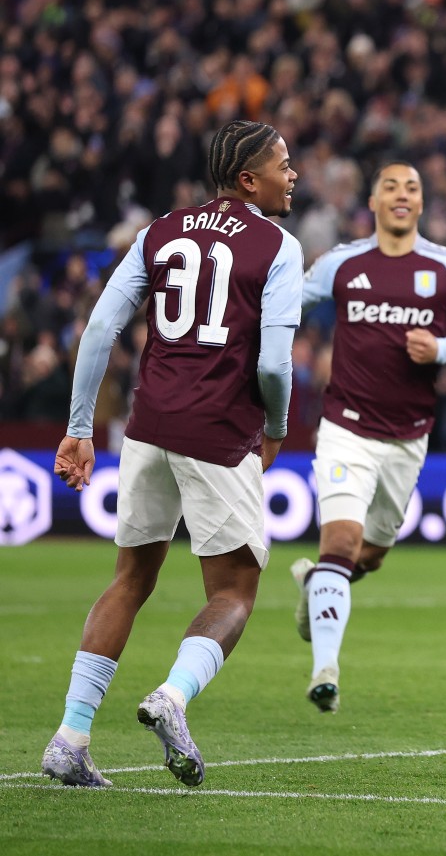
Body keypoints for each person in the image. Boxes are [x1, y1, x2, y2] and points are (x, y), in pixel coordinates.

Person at [42, 120, 303, 787]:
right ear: (249, 180)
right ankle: (174, 695)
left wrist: (80, 426)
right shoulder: (277, 244)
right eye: (282, 162)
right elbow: (275, 363)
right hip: (218, 432)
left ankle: (71, 736)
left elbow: (101, 325)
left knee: (131, 577)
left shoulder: (160, 230)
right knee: (236, 592)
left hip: (148, 426)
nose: (293, 172)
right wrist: (275, 424)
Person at [289, 160, 446, 713]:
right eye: (390, 187)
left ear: (422, 204)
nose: (401, 196)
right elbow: (287, 308)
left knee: (372, 554)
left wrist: (442, 350)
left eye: (412, 188)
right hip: (345, 429)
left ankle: (318, 587)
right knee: (340, 543)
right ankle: (324, 669)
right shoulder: (342, 263)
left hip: (408, 437)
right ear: (374, 202)